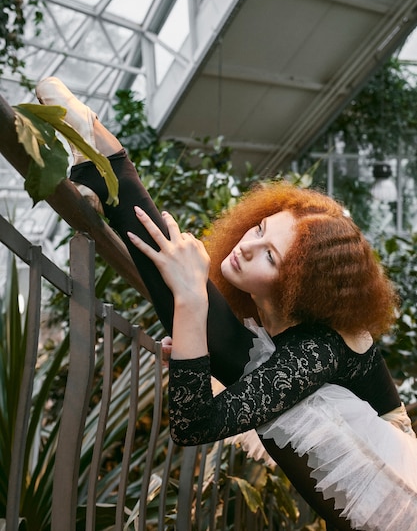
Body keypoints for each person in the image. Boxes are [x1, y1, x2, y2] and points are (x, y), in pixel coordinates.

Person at [35, 77, 417, 531]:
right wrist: (194, 327)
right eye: (259, 231)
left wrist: (193, 301)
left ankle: (111, 168)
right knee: (223, 335)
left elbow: (194, 423)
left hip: (388, 476)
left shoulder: (318, 349)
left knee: (219, 330)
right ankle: (109, 168)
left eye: (271, 257)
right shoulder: (277, 323)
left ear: (300, 286)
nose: (248, 247)